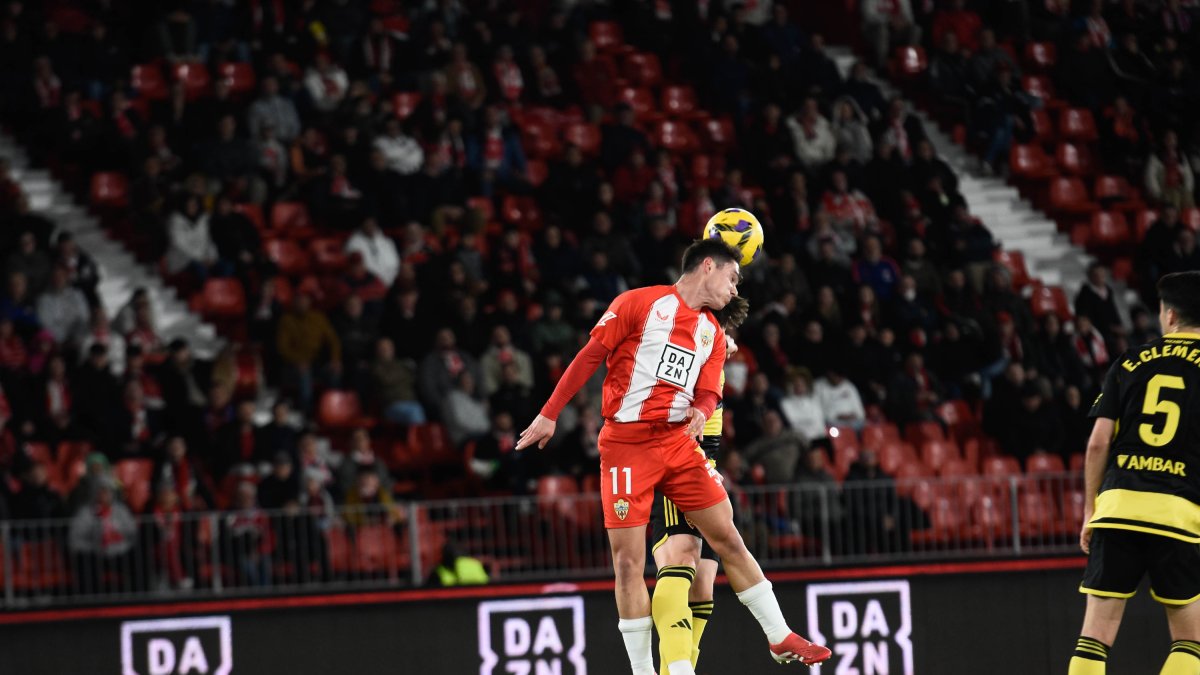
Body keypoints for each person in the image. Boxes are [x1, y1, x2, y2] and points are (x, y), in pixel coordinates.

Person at [516, 239, 830, 675]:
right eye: (733, 278)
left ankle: (779, 637)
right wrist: (549, 415)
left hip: (678, 444)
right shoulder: (638, 304)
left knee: (728, 538)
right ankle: (645, 672)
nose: (735, 290)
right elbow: (589, 356)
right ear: (708, 266)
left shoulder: (713, 334)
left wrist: (702, 412)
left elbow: (709, 389)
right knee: (628, 562)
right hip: (626, 445)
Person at [1071, 272, 1200, 675]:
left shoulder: (1129, 361)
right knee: (1189, 642)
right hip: (1179, 515)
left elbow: (1097, 443)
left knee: (1093, 638)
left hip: (1118, 507)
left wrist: (1091, 509)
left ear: (1170, 314)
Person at [649, 296, 748, 671]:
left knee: (704, 581)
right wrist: (695, 461)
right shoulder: (687, 350)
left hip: (704, 462)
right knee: (682, 560)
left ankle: (683, 664)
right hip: (682, 464)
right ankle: (676, 670)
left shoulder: (715, 346)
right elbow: (672, 407)